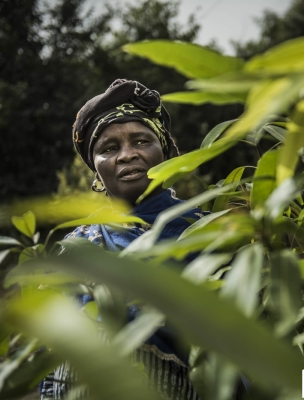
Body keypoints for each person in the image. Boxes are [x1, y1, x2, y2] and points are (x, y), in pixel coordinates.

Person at [40, 79, 207, 400]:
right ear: (96, 170)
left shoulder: (204, 234)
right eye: (109, 148)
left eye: (141, 141)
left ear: (166, 152)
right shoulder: (73, 249)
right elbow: (52, 355)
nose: (127, 155)